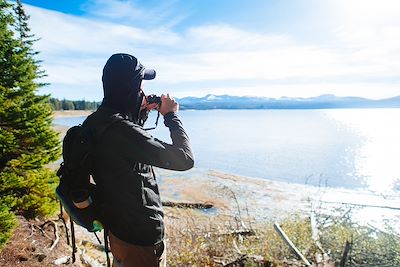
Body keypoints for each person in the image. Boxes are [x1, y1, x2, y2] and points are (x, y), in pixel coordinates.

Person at [83, 53, 194, 267]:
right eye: (141, 85)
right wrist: (171, 116)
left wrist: (139, 114)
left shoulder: (95, 122)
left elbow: (124, 151)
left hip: (117, 230)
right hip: (141, 240)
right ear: (133, 87)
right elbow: (184, 159)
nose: (143, 91)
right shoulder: (122, 130)